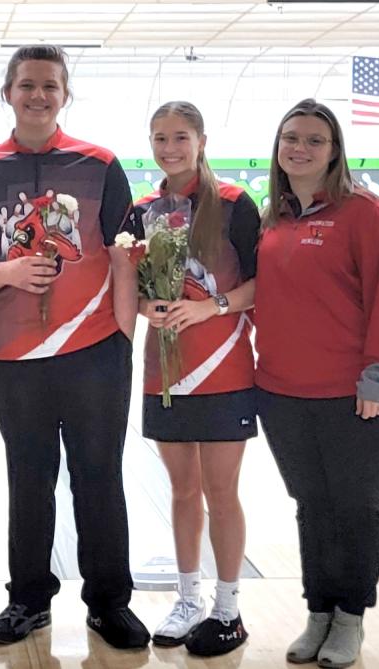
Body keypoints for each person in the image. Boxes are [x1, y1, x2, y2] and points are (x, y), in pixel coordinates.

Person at [0, 44, 149, 648]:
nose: (38, 95)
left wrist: (123, 339)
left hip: (95, 353)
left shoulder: (100, 164)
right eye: (26, 85)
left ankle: (110, 602)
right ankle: (29, 599)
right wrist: (5, 273)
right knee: (28, 479)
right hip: (17, 357)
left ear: (64, 95)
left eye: (50, 86)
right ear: (8, 93)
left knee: (99, 477)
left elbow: (124, 258)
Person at [255, 99, 379, 669]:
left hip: (356, 394)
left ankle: (351, 617)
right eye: (290, 137)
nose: (300, 147)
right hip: (281, 391)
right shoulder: (273, 217)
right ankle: (318, 610)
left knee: (356, 507)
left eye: (314, 140)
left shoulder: (363, 212)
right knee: (311, 506)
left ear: (334, 150)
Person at [130, 101, 259, 657]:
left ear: (201, 141)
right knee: (182, 490)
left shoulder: (233, 204)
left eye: (180, 137)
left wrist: (214, 307)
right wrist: (145, 309)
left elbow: (262, 284)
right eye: (159, 138)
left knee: (221, 491)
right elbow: (132, 289)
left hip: (225, 365)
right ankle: (189, 599)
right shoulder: (142, 209)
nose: (169, 148)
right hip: (166, 371)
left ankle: (228, 608)